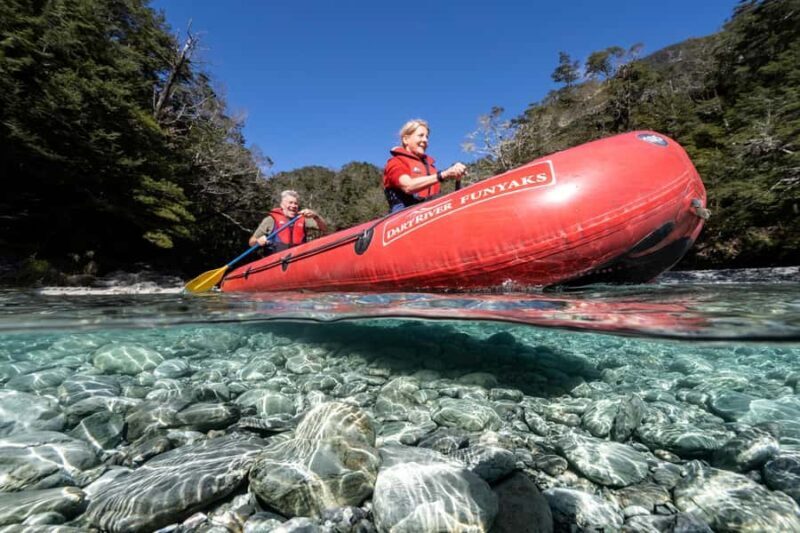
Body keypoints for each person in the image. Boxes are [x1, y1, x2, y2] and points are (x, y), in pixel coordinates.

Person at [382, 119, 468, 213]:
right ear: (406, 139)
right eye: (421, 136)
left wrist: (458, 180)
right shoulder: (396, 162)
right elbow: (408, 186)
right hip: (404, 218)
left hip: (431, 214)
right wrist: (444, 174)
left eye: (427, 137)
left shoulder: (431, 168)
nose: (425, 140)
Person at [249, 190, 328, 253]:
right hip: (276, 259)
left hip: (298, 257)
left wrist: (315, 216)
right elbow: (251, 242)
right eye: (290, 203)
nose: (293, 206)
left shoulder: (303, 218)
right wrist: (258, 241)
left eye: (296, 203)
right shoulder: (270, 220)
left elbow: (324, 229)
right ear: (282, 205)